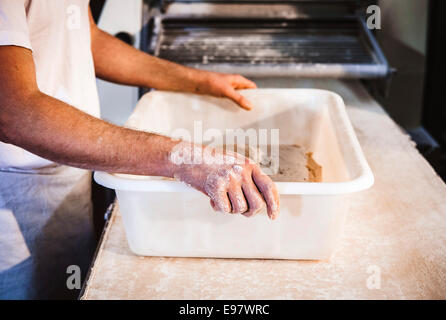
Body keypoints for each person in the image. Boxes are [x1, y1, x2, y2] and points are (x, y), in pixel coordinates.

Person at [0, 0, 279, 299]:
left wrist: (199, 81)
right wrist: (184, 160)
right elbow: (12, 111)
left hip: (70, 166)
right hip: (16, 188)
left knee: (69, 286)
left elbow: (84, 37)